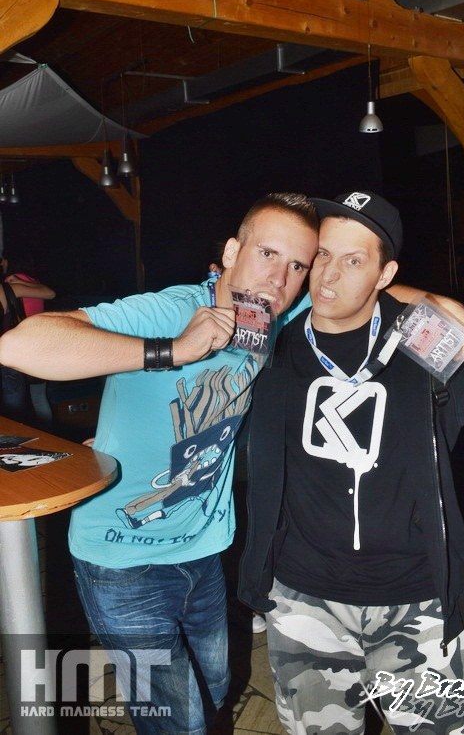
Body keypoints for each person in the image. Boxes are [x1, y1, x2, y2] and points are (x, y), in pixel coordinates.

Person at [0, 192, 320, 735]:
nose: (278, 279)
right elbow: (19, 346)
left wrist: (443, 315)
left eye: (297, 266)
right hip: (122, 558)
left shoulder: (276, 314)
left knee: (213, 691)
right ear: (231, 252)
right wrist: (171, 350)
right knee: (180, 722)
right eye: (267, 254)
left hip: (203, 549)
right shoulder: (172, 310)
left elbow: (360, 292)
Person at [238, 190, 464, 735]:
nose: (328, 276)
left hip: (416, 598)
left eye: (354, 261)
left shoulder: (424, 339)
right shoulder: (275, 341)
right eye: (322, 256)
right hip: (304, 600)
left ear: (385, 275)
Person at [0, 264, 55, 423]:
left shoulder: (10, 285)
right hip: (16, 354)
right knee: (21, 410)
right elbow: (50, 293)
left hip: (22, 350)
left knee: (31, 401)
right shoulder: (10, 287)